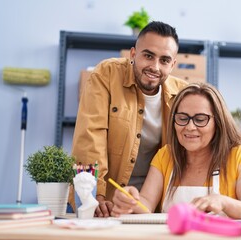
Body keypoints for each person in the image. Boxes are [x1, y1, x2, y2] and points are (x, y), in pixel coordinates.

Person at [71, 21, 188, 217]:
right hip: (103, 202)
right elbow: (90, 137)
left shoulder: (182, 94)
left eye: (164, 60)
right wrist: (95, 195)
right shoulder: (106, 74)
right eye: (148, 55)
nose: (155, 67)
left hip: (150, 206)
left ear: (173, 64)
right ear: (133, 54)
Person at [111, 83, 241, 219]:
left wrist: (223, 202)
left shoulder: (237, 156)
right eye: (182, 118)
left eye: (200, 119)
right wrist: (129, 201)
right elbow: (146, 203)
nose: (190, 127)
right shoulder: (166, 155)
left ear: (218, 122)